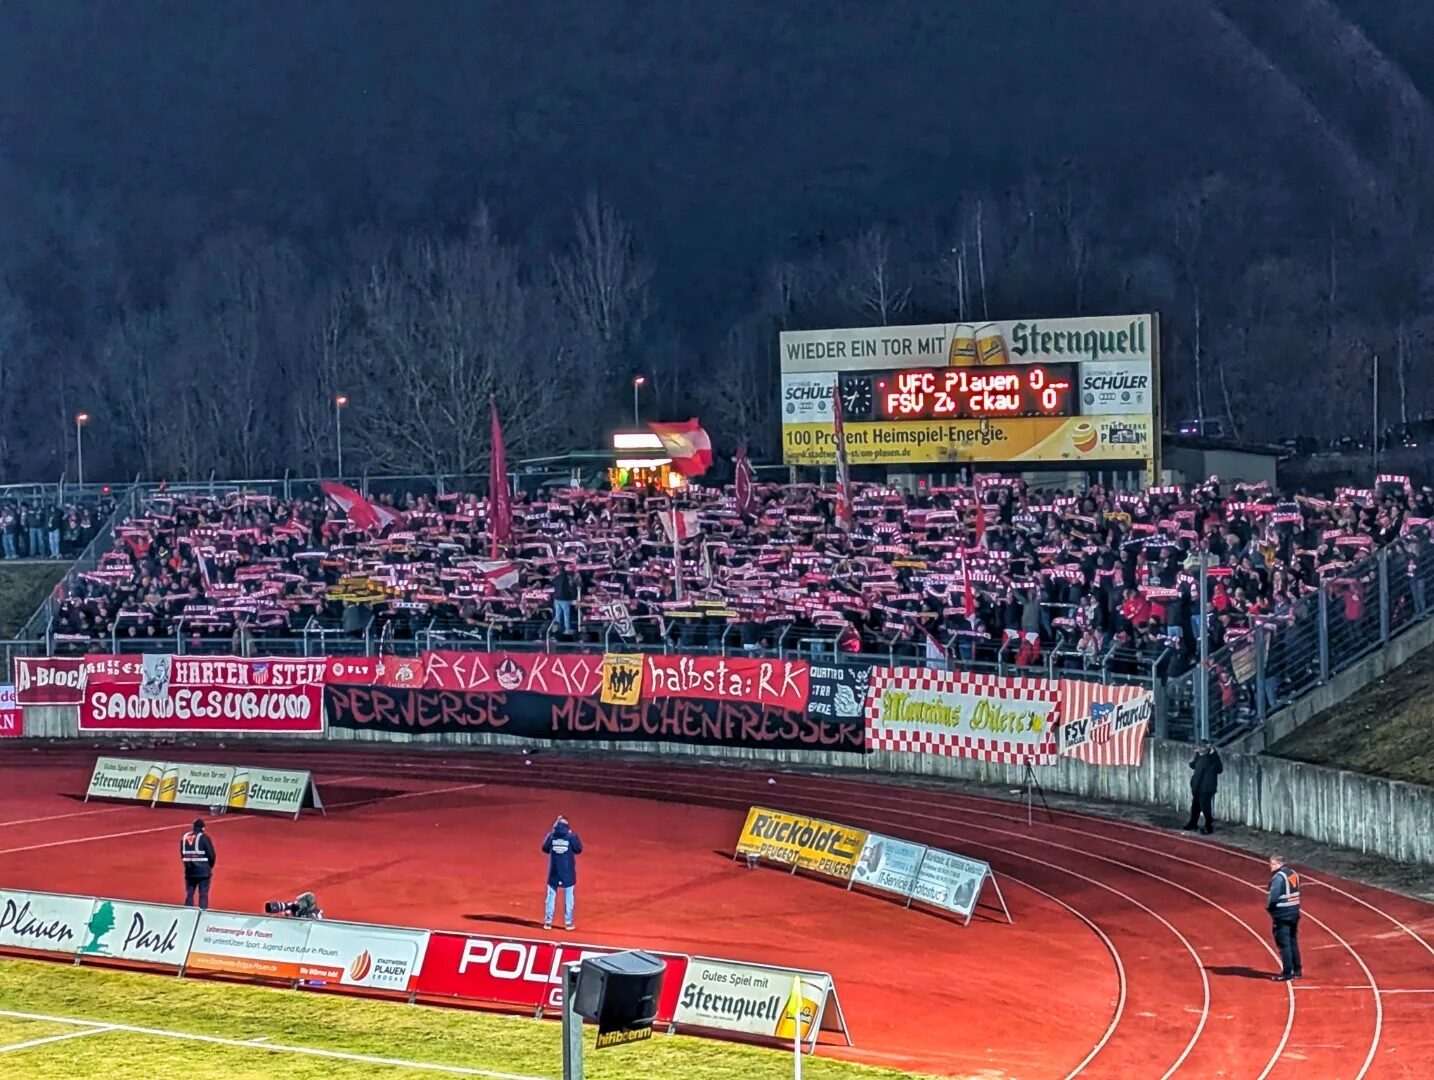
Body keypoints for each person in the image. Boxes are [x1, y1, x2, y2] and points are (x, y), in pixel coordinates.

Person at [541, 814, 583, 931]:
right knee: (569, 897)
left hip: (554, 872)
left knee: (550, 896)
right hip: (568, 873)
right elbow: (578, 849)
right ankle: (568, 923)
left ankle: (548, 922)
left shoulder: (552, 836)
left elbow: (544, 848)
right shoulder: (571, 837)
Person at [1267, 854, 1302, 981]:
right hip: (1294, 912)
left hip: (1282, 914)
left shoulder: (1278, 878)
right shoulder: (1293, 874)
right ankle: (1297, 970)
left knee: (1284, 944)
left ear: (1278, 864)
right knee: (1293, 941)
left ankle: (1287, 972)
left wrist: (1270, 908)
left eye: (1272, 864)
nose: (1270, 866)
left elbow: (1273, 897)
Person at [1184, 740, 1223, 834]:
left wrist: (1214, 753)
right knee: (1195, 807)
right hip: (1198, 787)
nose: (1198, 749)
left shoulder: (1211, 759)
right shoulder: (1199, 757)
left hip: (1206, 787)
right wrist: (1194, 757)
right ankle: (1193, 823)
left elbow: (1219, 769)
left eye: (1201, 747)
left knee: (1205, 808)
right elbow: (1193, 765)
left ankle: (1208, 826)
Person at [181, 818, 216, 908]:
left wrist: (187, 865)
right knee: (203, 894)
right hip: (203, 871)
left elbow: (182, 853)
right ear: (202, 828)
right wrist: (209, 866)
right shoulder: (204, 837)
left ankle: (188, 911)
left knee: (189, 894)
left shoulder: (184, 837)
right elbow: (211, 854)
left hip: (189, 870)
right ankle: (202, 913)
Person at [552, 565, 578, 635]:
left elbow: (553, 582)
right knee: (566, 615)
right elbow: (571, 586)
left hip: (557, 598)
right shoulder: (568, 577)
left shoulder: (557, 577)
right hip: (565, 599)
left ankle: (558, 630)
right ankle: (567, 629)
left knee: (558, 615)